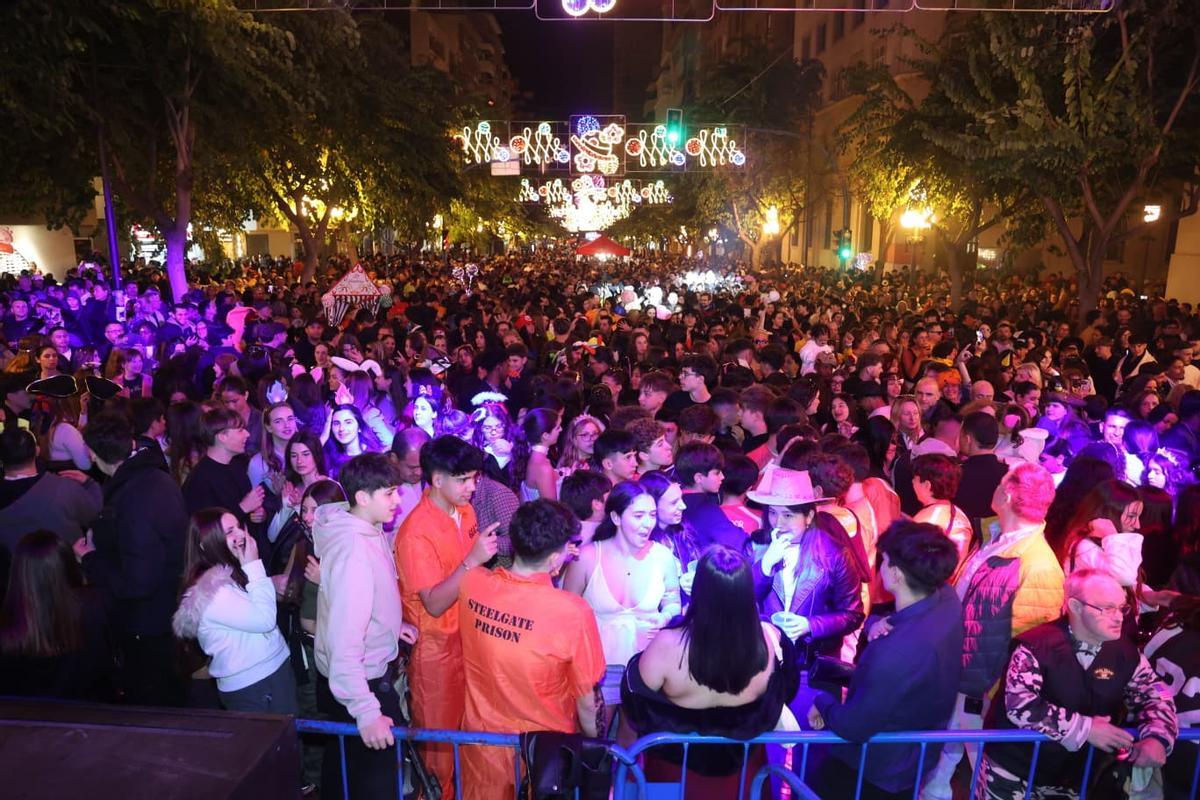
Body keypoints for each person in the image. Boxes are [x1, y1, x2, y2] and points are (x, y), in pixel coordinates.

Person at [921, 462, 1065, 800]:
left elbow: (1029, 650)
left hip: (982, 694)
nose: (994, 486)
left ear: (1009, 493)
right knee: (946, 766)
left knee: (985, 777)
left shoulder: (1039, 567)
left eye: (1000, 482)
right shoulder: (998, 538)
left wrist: (993, 695)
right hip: (964, 680)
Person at [978, 569, 1177, 799]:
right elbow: (1021, 705)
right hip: (1013, 771)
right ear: (1075, 607)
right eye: (1106, 608)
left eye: (1122, 607)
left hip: (1072, 775)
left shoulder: (1126, 653)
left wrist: (1158, 736)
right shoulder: (1035, 646)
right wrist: (1085, 729)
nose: (1119, 617)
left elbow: (1155, 694)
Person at [622, 547, 801, 798]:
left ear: (699, 591)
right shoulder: (771, 642)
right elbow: (786, 690)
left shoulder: (668, 645)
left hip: (675, 772)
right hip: (743, 772)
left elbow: (634, 701)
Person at [457, 500, 606, 800]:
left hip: (482, 748)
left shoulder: (472, 583)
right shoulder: (572, 611)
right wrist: (593, 744)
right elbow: (587, 702)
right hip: (543, 758)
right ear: (554, 560)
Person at [808, 520, 963, 800]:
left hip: (873, 771)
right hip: (914, 760)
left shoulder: (896, 652)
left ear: (896, 573)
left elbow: (854, 726)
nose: (881, 566)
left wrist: (822, 703)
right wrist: (874, 623)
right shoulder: (947, 600)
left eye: (885, 560)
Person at [394, 435, 499, 798]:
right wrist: (473, 560)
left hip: (470, 641)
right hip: (435, 655)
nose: (472, 487)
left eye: (474, 478)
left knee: (470, 740)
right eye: (464, 479)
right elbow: (435, 603)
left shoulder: (465, 511)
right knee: (438, 755)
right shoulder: (415, 533)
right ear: (437, 479)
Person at [313, 453, 413, 799]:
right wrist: (366, 711)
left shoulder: (366, 527)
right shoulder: (354, 551)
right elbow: (344, 640)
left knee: (344, 776)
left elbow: (357, 606)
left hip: (358, 677)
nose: (397, 502)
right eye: (389, 494)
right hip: (360, 684)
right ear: (361, 497)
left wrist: (388, 624)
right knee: (370, 786)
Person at [80, 411, 189, 706]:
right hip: (170, 610)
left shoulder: (132, 498)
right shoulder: (156, 476)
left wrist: (90, 558)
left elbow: (138, 582)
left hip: (147, 624)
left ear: (93, 455)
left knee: (153, 706)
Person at [563, 480, 682, 715]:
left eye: (651, 515)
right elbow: (566, 614)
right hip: (598, 669)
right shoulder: (588, 557)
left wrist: (665, 617)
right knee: (596, 745)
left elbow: (673, 600)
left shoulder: (663, 557)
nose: (647, 524)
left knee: (632, 747)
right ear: (616, 518)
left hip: (645, 668)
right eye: (638, 516)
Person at [172, 507, 295, 714]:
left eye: (238, 526)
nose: (241, 534)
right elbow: (265, 620)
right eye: (230, 531)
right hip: (256, 683)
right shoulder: (211, 591)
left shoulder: (226, 574)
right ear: (205, 543)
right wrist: (254, 564)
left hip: (266, 676)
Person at [749, 465, 864, 673]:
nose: (778, 523)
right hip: (763, 662)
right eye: (773, 513)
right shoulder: (756, 545)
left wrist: (810, 625)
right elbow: (741, 599)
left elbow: (853, 614)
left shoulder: (835, 553)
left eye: (788, 515)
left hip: (810, 666)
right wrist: (765, 564)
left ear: (809, 517)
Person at [0, 530, 112, 701]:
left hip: (23, 720)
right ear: (67, 566)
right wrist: (85, 564)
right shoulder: (92, 607)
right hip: (85, 716)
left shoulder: (9, 622)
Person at [0, 426, 102, 555]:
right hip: (68, 568)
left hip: (19, 573)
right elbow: (95, 515)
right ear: (37, 451)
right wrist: (90, 484)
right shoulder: (64, 488)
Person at [182, 408, 266, 544]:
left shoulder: (237, 466)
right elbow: (205, 532)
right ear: (222, 436)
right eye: (240, 430)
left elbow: (248, 512)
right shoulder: (200, 480)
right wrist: (243, 508)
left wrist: (259, 515)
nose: (247, 434)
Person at [910, 453, 973, 569]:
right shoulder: (960, 514)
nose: (912, 482)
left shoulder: (926, 522)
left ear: (927, 485)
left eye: (915, 478)